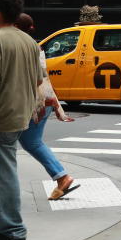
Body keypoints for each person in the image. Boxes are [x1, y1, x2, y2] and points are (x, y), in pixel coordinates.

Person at [14, 14, 77, 200]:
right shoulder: (34, 46)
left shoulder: (24, 47)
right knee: (32, 142)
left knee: (29, 143)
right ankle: (62, 177)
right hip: (43, 101)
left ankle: (62, 177)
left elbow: (37, 79)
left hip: (33, 103)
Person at [0, 0, 44, 240]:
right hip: (19, 115)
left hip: (2, 115)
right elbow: (39, 80)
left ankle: (12, 228)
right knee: (5, 169)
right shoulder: (28, 42)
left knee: (4, 172)